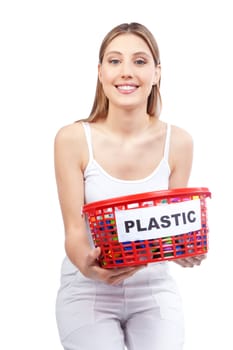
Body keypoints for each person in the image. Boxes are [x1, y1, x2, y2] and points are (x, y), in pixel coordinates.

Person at [54, 22, 206, 350]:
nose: (126, 72)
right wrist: (92, 269)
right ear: (100, 72)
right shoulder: (72, 140)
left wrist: (184, 249)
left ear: (157, 73)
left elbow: (170, 229)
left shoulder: (178, 142)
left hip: (152, 288)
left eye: (139, 61)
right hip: (87, 290)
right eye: (114, 61)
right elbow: (74, 233)